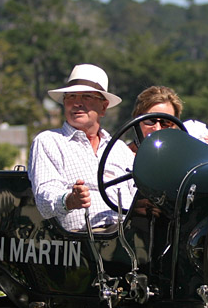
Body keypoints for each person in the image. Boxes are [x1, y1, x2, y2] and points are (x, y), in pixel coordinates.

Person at [29, 64, 136, 232]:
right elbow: (44, 199)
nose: (77, 103)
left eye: (86, 96)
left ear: (103, 107)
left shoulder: (120, 149)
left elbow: (137, 194)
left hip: (130, 232)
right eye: (71, 96)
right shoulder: (49, 141)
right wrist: (70, 200)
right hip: (86, 239)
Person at [131, 85, 208, 149]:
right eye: (150, 121)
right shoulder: (120, 153)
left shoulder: (186, 155)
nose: (157, 129)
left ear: (175, 125)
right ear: (137, 121)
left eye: (166, 123)